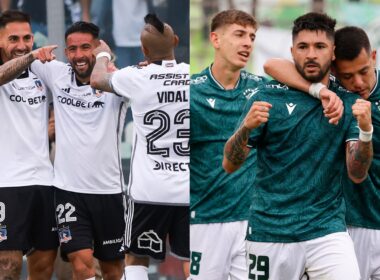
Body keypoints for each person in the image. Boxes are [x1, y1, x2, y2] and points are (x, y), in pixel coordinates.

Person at [223, 12, 373, 280]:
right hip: (269, 231)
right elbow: (230, 164)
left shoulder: (347, 101)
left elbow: (357, 173)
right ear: (292, 51)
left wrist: (365, 131)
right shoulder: (266, 96)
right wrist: (245, 129)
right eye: (303, 47)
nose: (311, 54)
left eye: (320, 47)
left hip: (327, 232)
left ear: (333, 52)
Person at [265, 25, 380, 280]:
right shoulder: (336, 93)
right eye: (348, 76)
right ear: (335, 67)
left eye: (364, 71)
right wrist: (319, 90)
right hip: (347, 226)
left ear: (373, 58)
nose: (358, 82)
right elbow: (272, 65)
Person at [90, 14, 189, 280]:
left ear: (144, 50)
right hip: (189, 189)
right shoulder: (194, 75)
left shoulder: (136, 77)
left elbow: (97, 80)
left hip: (149, 190)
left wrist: (103, 56)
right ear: (176, 42)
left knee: (135, 257)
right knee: (193, 259)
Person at [29, 21, 127, 279]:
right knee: (81, 264)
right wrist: (33, 53)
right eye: (72, 49)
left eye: (86, 47)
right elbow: (12, 59)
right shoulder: (55, 72)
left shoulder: (118, 81)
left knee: (113, 271)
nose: (79, 55)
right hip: (68, 191)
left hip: (109, 192)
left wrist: (107, 61)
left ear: (98, 48)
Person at [189, 9, 267, 280]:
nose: (248, 42)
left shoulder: (261, 89)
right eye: (239, 34)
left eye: (252, 37)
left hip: (252, 223)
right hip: (205, 221)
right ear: (215, 39)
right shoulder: (191, 92)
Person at [0, 10, 58, 279]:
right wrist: (32, 56)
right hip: (7, 184)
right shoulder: (16, 66)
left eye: (27, 38)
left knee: (44, 268)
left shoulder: (41, 73)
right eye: (13, 38)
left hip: (45, 181)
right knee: (8, 266)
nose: (22, 45)